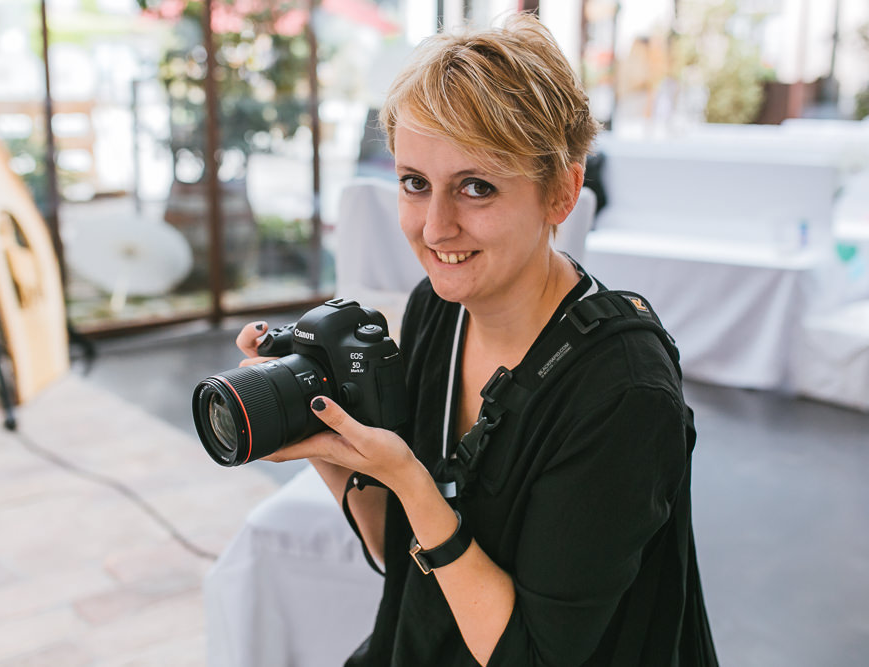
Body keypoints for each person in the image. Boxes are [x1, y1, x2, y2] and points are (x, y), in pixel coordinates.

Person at [237, 13, 718, 667]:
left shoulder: (622, 394)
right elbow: (401, 559)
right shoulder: (439, 310)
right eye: (415, 183)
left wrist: (410, 479)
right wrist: (327, 444)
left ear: (563, 191)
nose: (436, 228)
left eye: (476, 187)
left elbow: (535, 657)